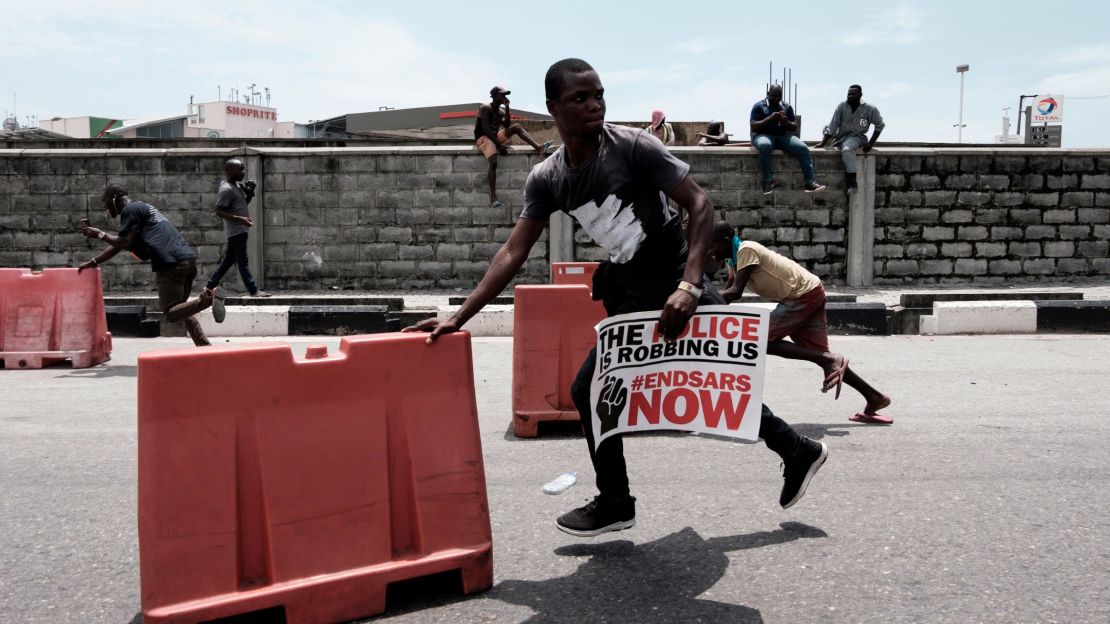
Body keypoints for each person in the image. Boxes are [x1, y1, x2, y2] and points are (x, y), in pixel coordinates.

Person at [408, 58, 829, 538]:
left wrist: (689, 286)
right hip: (632, 295)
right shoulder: (548, 178)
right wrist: (459, 317)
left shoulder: (633, 146)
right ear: (552, 108)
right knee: (590, 390)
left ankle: (797, 450)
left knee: (714, 385)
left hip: (677, 285)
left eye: (598, 95)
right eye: (579, 98)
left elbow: (699, 204)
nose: (593, 105)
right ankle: (616, 501)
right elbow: (513, 251)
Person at [708, 222, 892, 424]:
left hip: (802, 295)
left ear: (726, 241)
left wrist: (698, 298)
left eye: (711, 245)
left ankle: (833, 362)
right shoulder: (733, 260)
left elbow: (736, 291)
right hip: (807, 292)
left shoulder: (746, 250)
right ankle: (875, 398)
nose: (709, 251)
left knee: (759, 339)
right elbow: (727, 295)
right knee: (824, 358)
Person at [77, 184, 224, 347]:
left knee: (171, 312)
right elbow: (119, 245)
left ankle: (209, 298)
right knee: (183, 310)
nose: (106, 209)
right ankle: (204, 347)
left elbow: (124, 242)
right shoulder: (142, 208)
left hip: (170, 264)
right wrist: (94, 262)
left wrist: (99, 234)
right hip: (187, 261)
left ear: (114, 199)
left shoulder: (129, 210)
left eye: (106, 203)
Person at [475, 86, 553, 208]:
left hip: (494, 136)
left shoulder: (499, 111)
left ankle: (538, 147)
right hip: (483, 137)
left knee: (516, 127)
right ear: (495, 96)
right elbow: (485, 129)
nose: (504, 97)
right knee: (494, 162)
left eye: (505, 95)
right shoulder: (485, 108)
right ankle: (493, 197)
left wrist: (507, 108)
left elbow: (506, 125)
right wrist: (499, 145)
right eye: (502, 95)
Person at [204, 158, 271, 297]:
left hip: (240, 229)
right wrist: (240, 219)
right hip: (236, 230)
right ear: (229, 171)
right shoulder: (227, 189)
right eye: (240, 169)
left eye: (243, 169)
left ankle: (209, 286)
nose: (243, 172)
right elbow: (219, 211)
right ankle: (253, 290)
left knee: (229, 261)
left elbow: (242, 204)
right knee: (242, 261)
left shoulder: (236, 186)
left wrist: (251, 192)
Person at [750, 85, 825, 195]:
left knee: (803, 148)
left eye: (779, 96)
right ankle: (767, 182)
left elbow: (794, 126)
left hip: (783, 136)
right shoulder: (758, 106)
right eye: (774, 96)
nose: (776, 98)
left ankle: (810, 183)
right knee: (765, 145)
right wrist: (769, 118)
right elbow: (753, 126)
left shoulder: (786, 107)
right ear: (768, 93)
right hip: (763, 135)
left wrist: (787, 123)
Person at [815, 85, 885, 193]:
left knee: (847, 149)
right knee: (827, 130)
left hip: (857, 137)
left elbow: (880, 125)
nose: (850, 96)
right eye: (849, 94)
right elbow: (833, 126)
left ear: (860, 95)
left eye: (853, 94)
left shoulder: (870, 109)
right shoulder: (842, 106)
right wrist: (823, 143)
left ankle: (852, 182)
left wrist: (870, 143)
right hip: (840, 137)